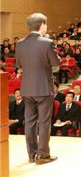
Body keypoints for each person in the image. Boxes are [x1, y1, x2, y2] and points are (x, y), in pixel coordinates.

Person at [16, 13, 60, 164]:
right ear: (42, 25)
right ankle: (42, 155)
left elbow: (19, 65)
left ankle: (31, 154)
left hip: (27, 89)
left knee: (29, 122)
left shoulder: (20, 44)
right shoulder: (47, 42)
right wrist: (48, 42)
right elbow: (56, 62)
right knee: (44, 121)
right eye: (45, 24)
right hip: (43, 88)